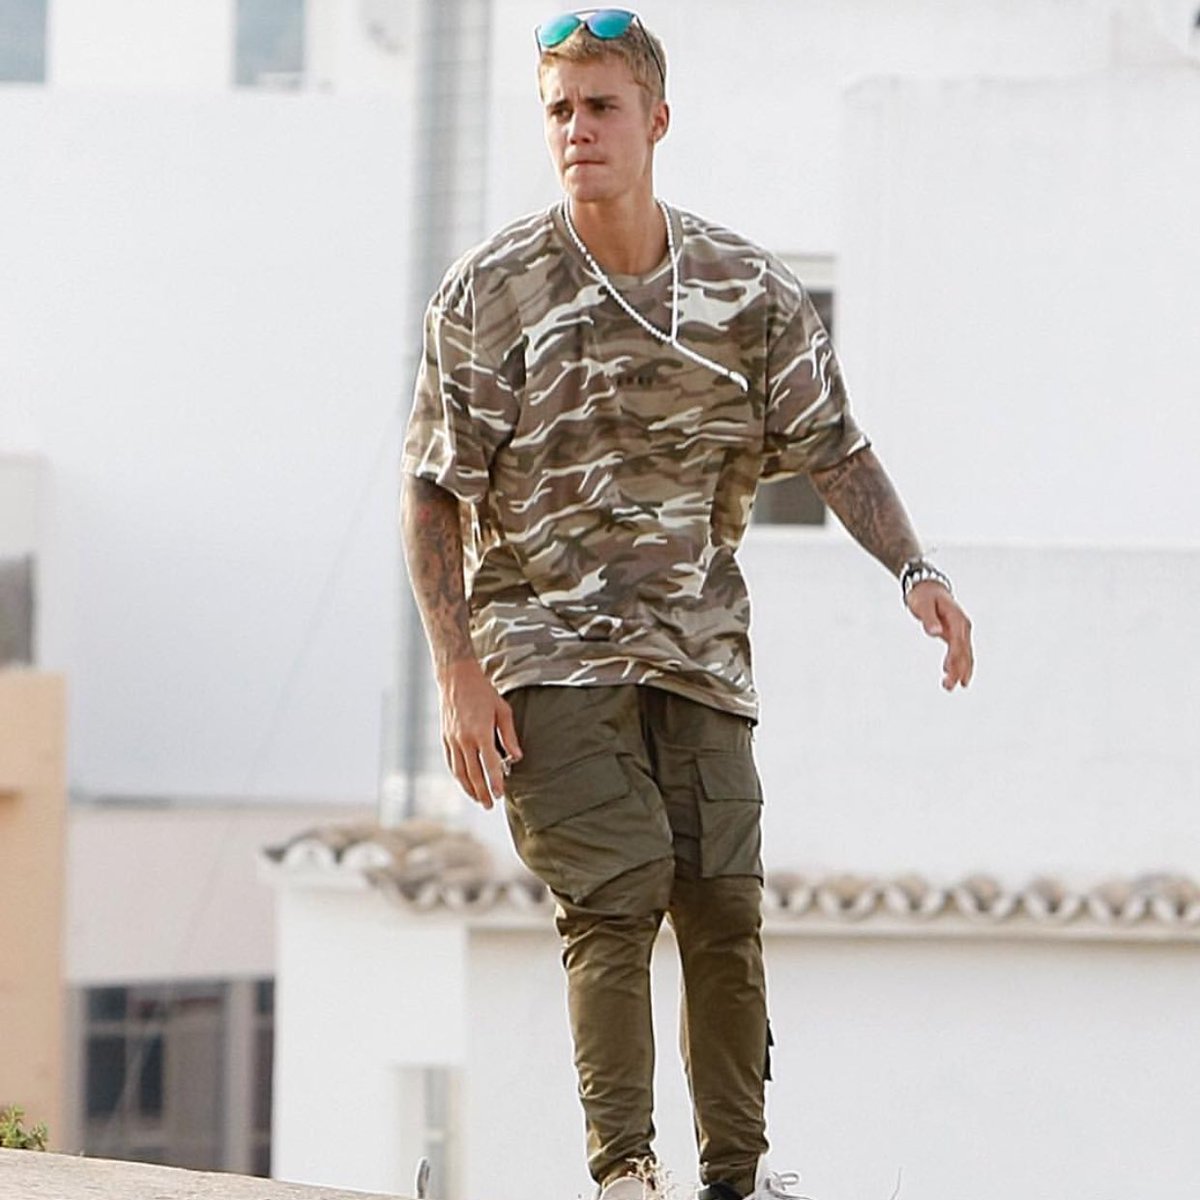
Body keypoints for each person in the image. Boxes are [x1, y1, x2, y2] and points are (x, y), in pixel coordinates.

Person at [400, 10, 974, 1200]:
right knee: (614, 890)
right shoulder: (491, 293)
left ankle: (736, 1179)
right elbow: (432, 492)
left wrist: (915, 572)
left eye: (601, 107)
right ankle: (626, 1172)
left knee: (721, 904)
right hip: (545, 648)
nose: (578, 131)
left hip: (700, 652)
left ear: (656, 120)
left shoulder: (746, 291)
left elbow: (836, 449)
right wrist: (456, 668)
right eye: (559, 111)